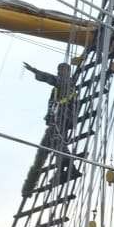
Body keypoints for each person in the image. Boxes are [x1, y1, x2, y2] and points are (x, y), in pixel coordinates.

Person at [21, 61, 83, 196]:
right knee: (42, 153)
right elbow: (52, 104)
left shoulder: (67, 84)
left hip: (63, 118)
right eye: (59, 70)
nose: (59, 73)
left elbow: (51, 79)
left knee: (57, 142)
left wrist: (35, 71)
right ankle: (28, 188)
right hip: (55, 120)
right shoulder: (56, 90)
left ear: (68, 72)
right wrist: (49, 116)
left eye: (62, 71)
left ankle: (66, 169)